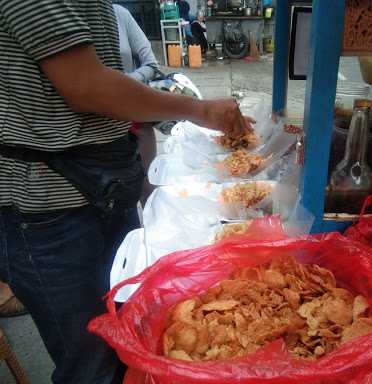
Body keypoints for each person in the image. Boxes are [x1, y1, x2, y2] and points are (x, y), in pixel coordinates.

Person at [0, 2, 251, 384]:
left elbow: (108, 75)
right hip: (49, 210)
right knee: (90, 362)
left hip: (107, 187)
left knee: (131, 330)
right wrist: (199, 110)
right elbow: (86, 86)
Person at [114, 4, 159, 203]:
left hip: (135, 121)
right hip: (96, 126)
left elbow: (151, 64)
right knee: (118, 198)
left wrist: (122, 84)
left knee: (148, 189)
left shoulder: (119, 14)